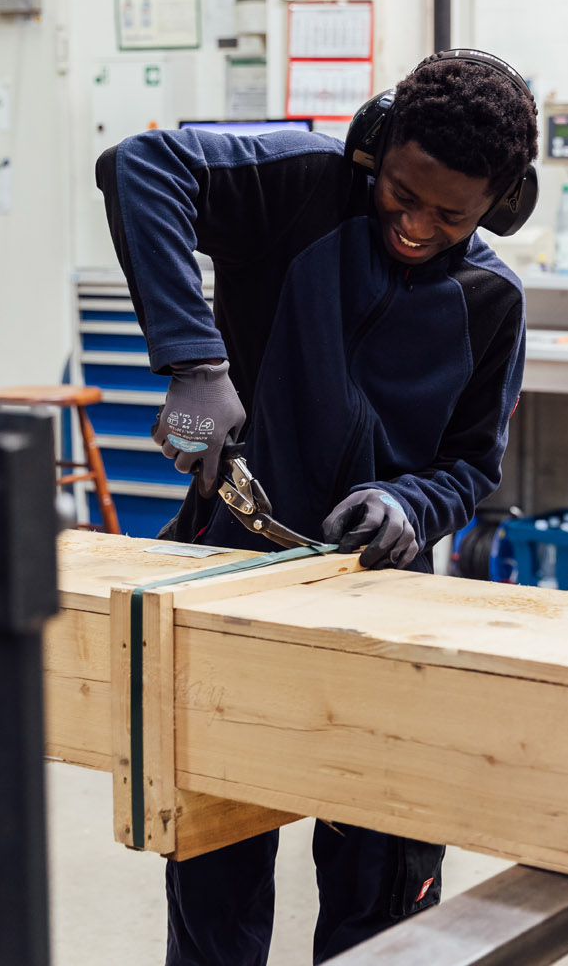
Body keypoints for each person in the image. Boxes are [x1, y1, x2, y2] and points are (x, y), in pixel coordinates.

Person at [95, 48, 540, 965]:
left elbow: (469, 464)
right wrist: (196, 361)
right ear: (377, 146)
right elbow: (139, 166)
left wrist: (410, 503)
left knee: (383, 880)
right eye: (401, 194)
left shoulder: (492, 302)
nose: (414, 226)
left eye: (449, 214)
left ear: (501, 202)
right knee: (217, 858)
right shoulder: (302, 192)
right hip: (234, 570)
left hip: (381, 604)